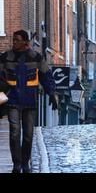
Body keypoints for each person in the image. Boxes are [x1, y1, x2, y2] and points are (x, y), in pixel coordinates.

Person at [0, 30, 58, 173]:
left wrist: (52, 93)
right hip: (12, 99)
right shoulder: (5, 57)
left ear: (25, 42)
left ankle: (25, 162)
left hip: (30, 101)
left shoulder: (36, 57)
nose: (14, 42)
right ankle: (17, 164)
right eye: (13, 40)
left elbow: (46, 76)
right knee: (14, 132)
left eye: (17, 40)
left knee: (28, 134)